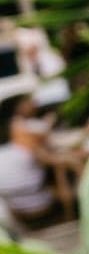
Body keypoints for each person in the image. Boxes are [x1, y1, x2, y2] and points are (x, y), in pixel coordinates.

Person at [0, 97, 55, 229]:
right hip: (34, 202)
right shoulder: (21, 128)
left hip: (11, 204)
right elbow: (49, 157)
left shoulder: (11, 145)